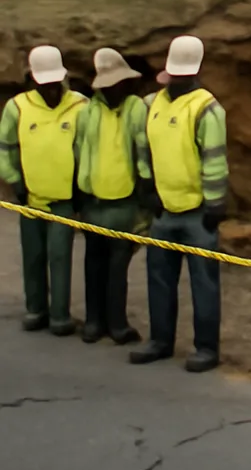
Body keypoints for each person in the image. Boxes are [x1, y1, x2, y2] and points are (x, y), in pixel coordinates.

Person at [130, 35, 229, 373]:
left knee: (203, 282)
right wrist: (148, 188)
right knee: (158, 277)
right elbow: (143, 149)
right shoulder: (149, 105)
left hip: (198, 213)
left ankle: (206, 348)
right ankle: (160, 340)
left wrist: (215, 204)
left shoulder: (207, 108)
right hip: (164, 209)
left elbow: (214, 160)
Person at [0, 45, 86, 335]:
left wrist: (81, 187)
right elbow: (5, 148)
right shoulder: (18, 107)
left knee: (60, 256)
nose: (52, 88)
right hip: (30, 197)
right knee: (33, 255)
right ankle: (36, 310)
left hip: (64, 199)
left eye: (55, 82)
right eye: (45, 83)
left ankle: (60, 316)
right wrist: (14, 181)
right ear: (34, 80)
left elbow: (87, 150)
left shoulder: (80, 106)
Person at [75, 48, 154, 345]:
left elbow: (143, 147)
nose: (115, 88)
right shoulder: (88, 112)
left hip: (124, 202)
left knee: (118, 266)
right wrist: (79, 192)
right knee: (94, 263)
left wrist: (146, 185)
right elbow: (79, 151)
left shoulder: (136, 108)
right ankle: (95, 323)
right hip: (93, 201)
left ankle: (117, 324)